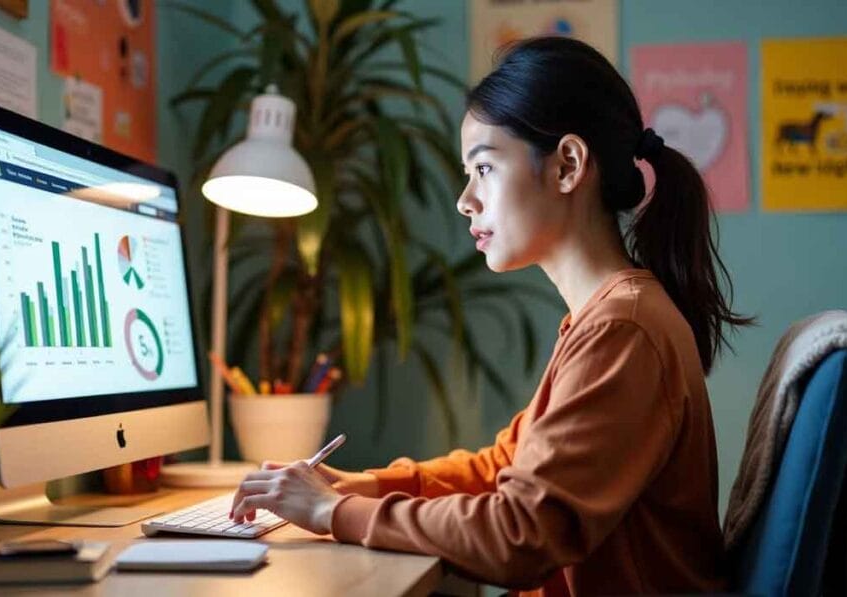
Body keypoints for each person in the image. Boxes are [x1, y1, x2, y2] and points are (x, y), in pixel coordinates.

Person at [229, 36, 753, 595]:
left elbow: (519, 535)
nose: (465, 200)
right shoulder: (606, 317)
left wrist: (336, 513)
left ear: (568, 166)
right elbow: (504, 466)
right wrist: (359, 487)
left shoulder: (622, 328)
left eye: (484, 168)